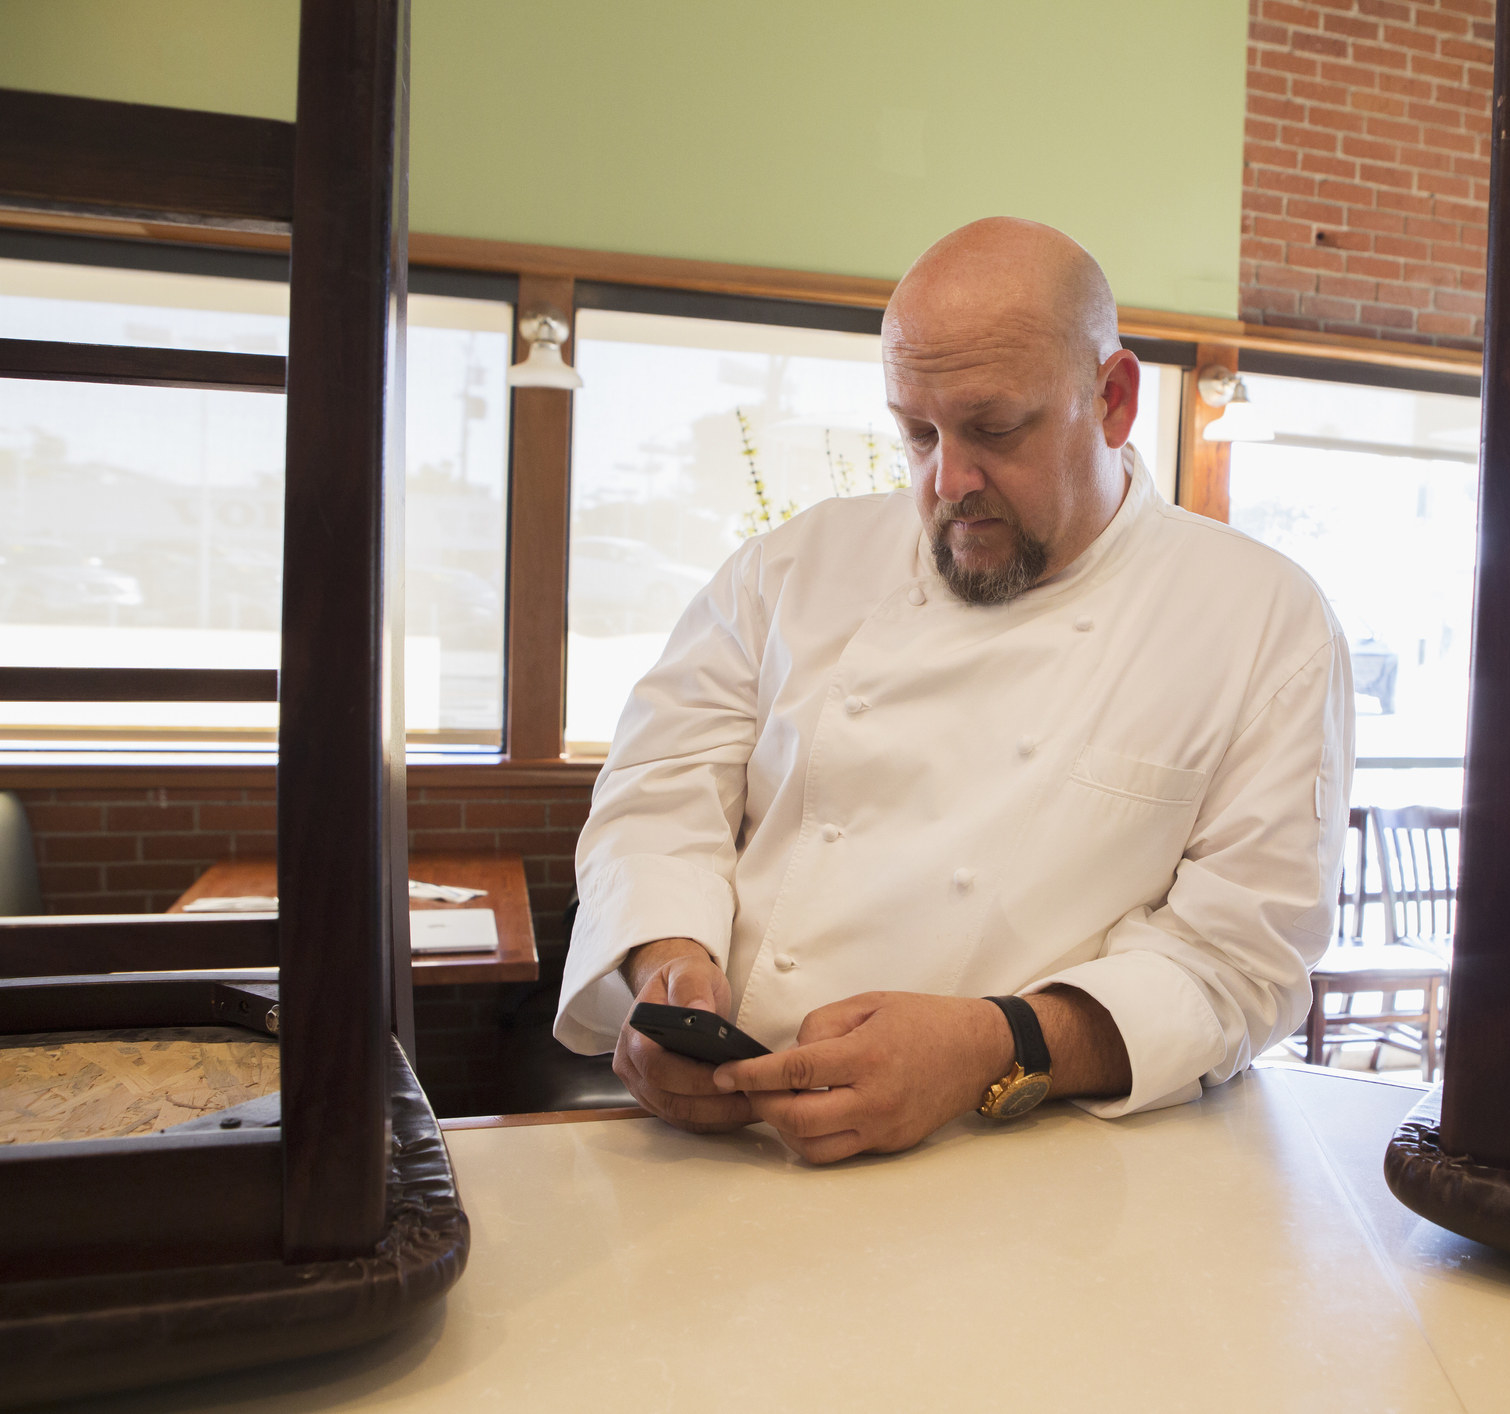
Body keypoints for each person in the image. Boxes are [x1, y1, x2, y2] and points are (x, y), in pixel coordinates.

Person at [555, 217, 1353, 1163]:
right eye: (918, 433)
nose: (950, 480)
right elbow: (657, 796)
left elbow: (1240, 964)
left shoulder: (1263, 620)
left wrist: (988, 1047)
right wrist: (667, 966)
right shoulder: (790, 569)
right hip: (738, 1138)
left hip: (1030, 1165)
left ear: (1112, 399)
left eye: (995, 428)